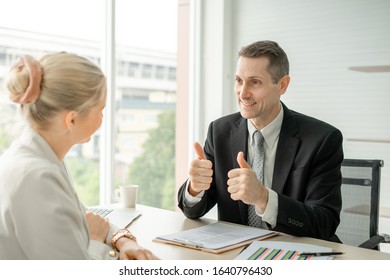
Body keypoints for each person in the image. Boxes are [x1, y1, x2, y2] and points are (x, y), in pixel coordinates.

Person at [178, 40, 343, 242]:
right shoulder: (219, 131)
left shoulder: (322, 139)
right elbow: (193, 211)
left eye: (255, 82)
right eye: (239, 80)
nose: (243, 93)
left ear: (282, 85)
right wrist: (195, 187)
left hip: (292, 254)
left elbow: (324, 223)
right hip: (237, 254)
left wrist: (264, 198)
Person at [0, 53, 158, 259]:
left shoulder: (38, 158)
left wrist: (122, 239)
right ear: (71, 120)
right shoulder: (37, 177)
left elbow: (87, 218)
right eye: (100, 109)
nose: (103, 117)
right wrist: (97, 244)